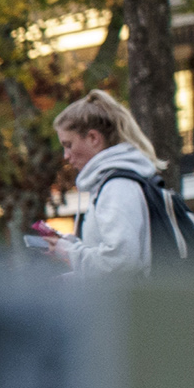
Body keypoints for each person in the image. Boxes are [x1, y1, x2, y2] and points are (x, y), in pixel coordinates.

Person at [31, 89, 165, 276]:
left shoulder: (117, 187)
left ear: (93, 138)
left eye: (68, 145)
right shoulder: (113, 184)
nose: (66, 156)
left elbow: (121, 262)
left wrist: (68, 251)